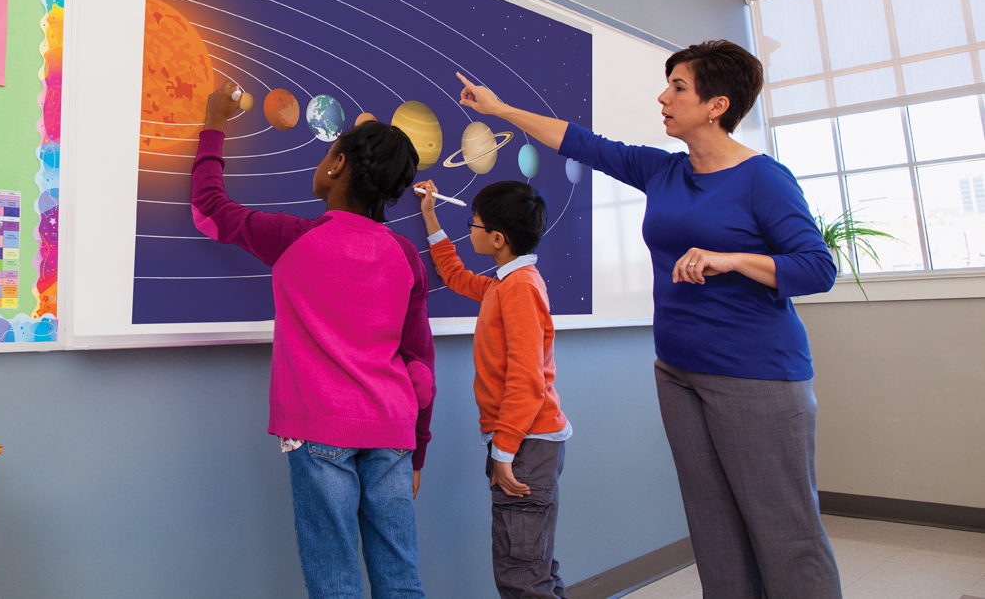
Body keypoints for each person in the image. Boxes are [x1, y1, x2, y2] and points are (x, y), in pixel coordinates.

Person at [453, 40, 841, 599]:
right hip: (678, 371)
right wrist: (499, 110)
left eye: (678, 87)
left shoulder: (763, 178)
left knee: (785, 532)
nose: (663, 97)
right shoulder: (663, 170)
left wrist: (732, 259)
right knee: (714, 529)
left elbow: (817, 267)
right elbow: (581, 143)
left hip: (757, 375)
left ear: (717, 105)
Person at [192, 79, 436, 599]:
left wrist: (213, 125)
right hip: (394, 432)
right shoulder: (406, 257)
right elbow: (420, 368)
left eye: (327, 154)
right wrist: (417, 453)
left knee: (335, 583)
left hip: (319, 430)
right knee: (401, 579)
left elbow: (208, 209)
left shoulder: (292, 238)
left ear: (338, 164)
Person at [415, 178, 570, 599]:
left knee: (521, 575)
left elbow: (527, 379)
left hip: (524, 444)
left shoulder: (519, 289)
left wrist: (503, 452)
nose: (470, 229)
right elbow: (456, 276)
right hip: (525, 442)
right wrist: (430, 217)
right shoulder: (505, 285)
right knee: (533, 565)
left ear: (498, 239)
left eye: (474, 223)